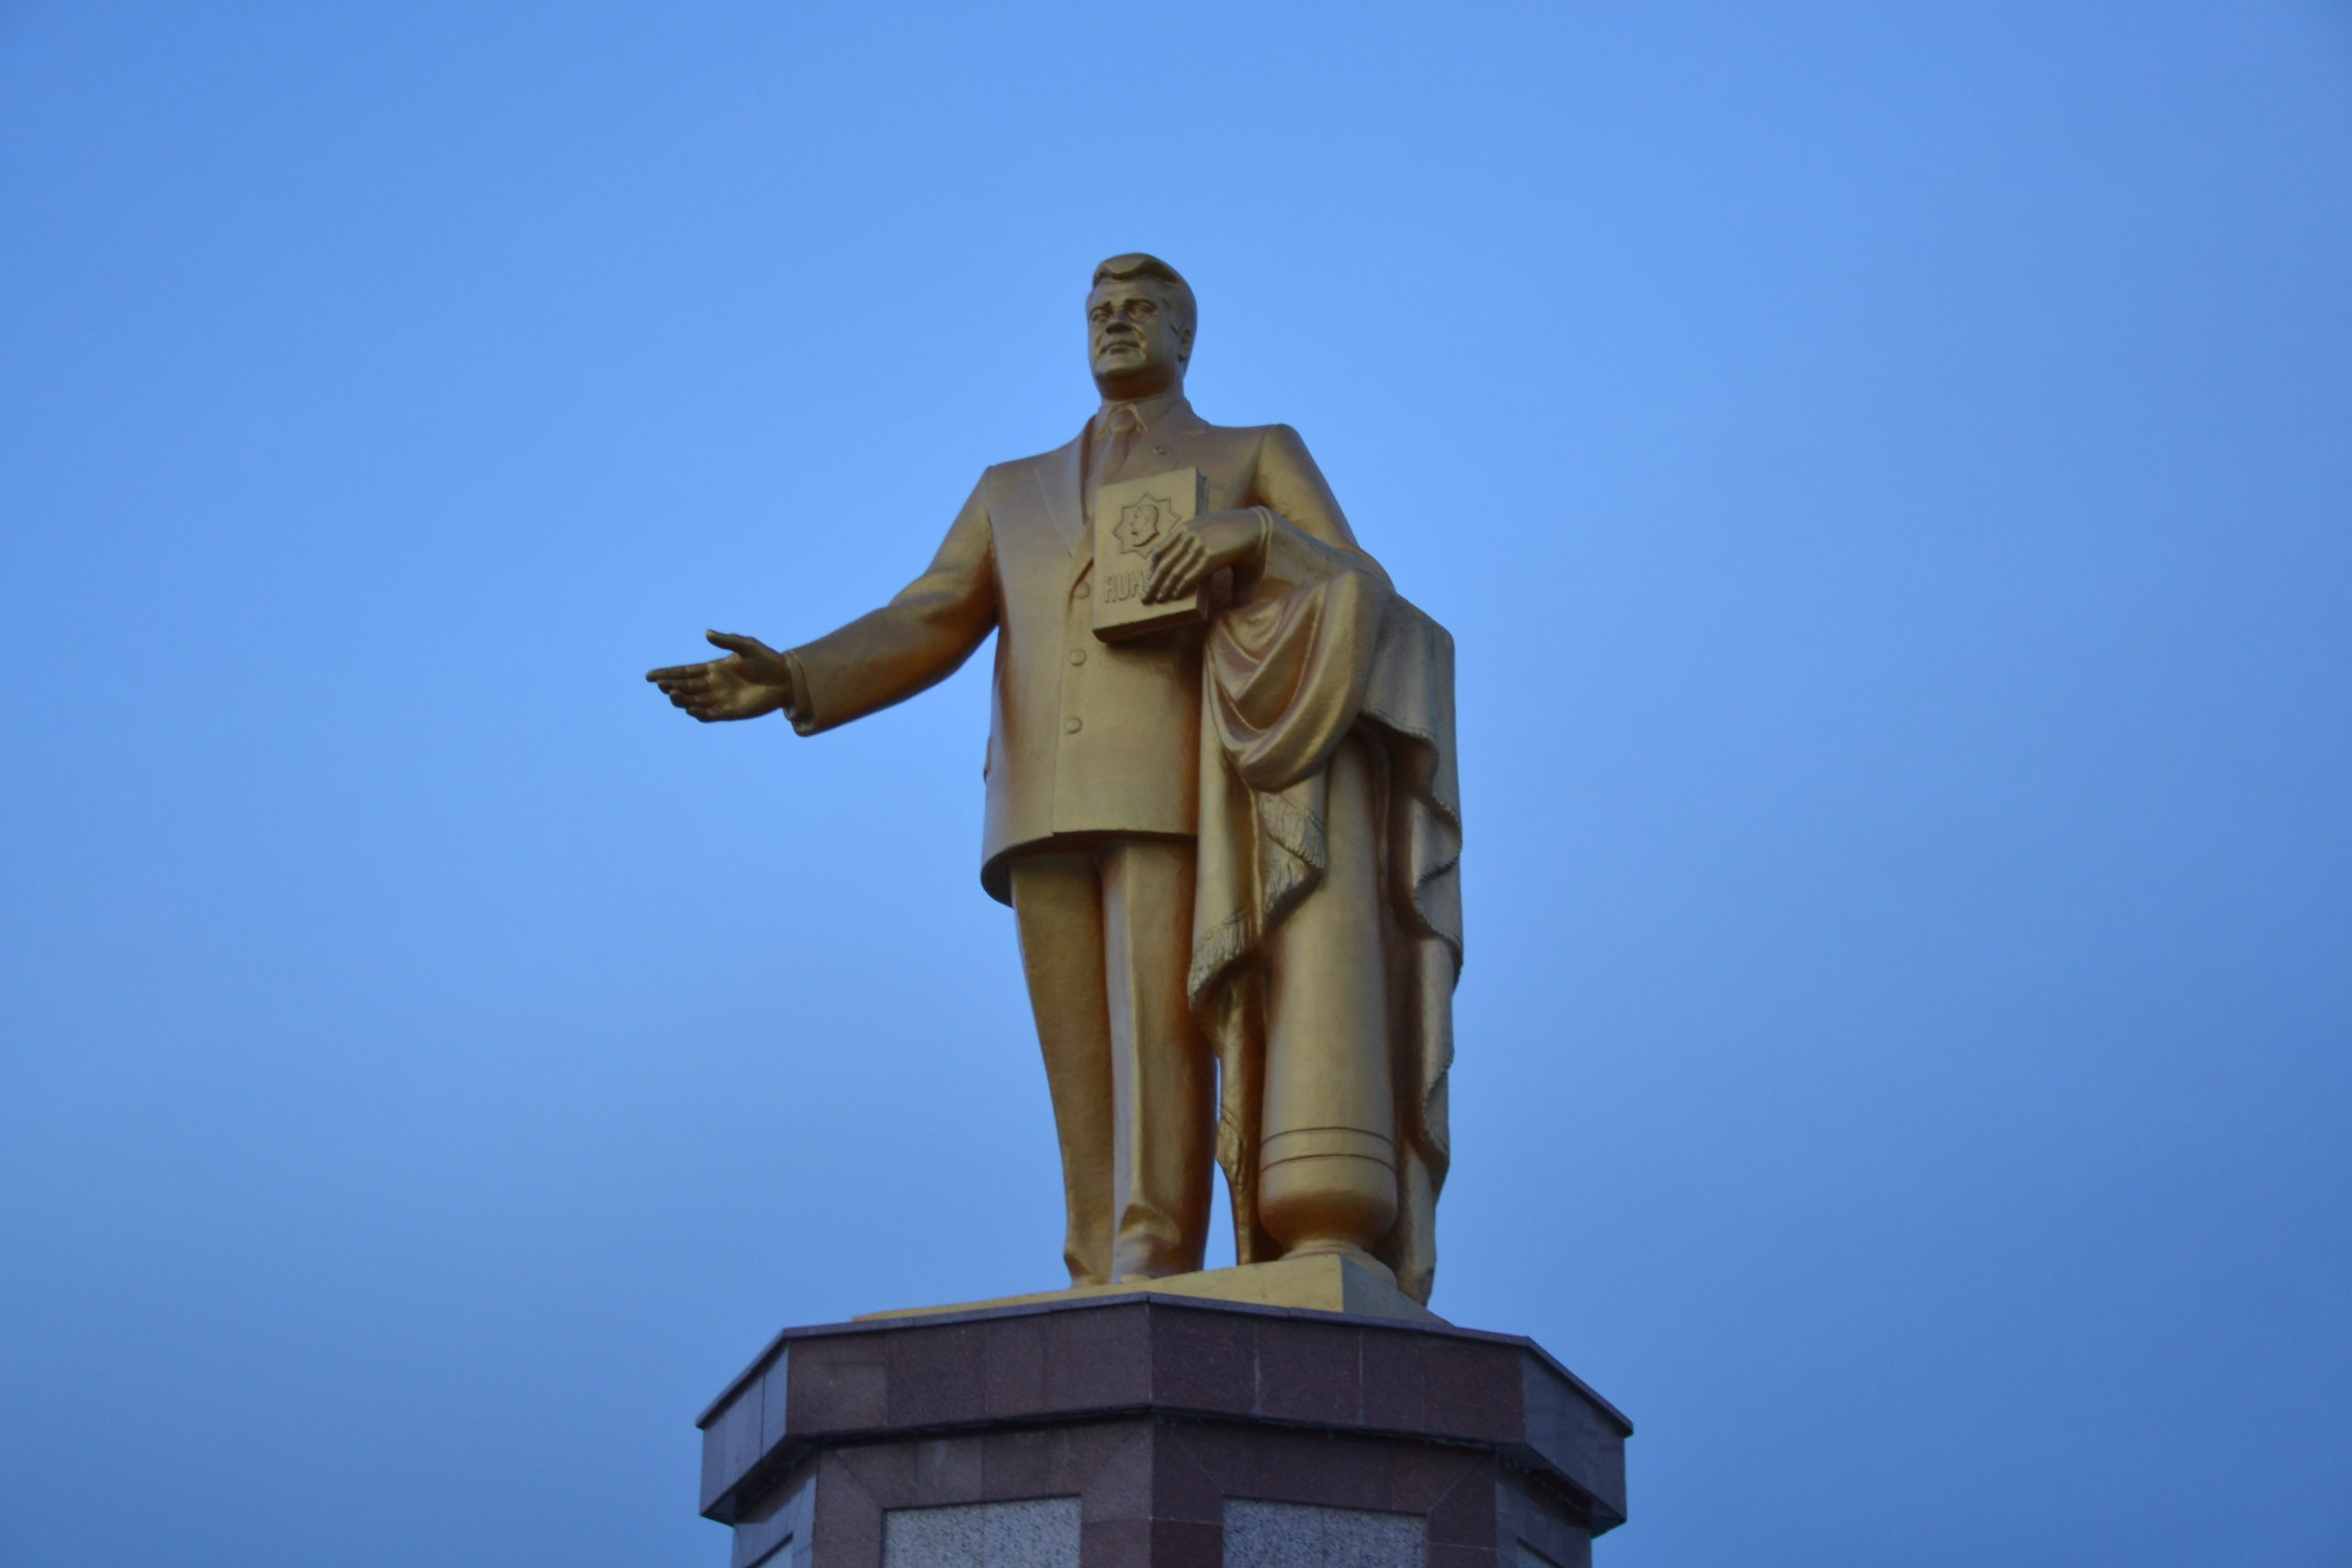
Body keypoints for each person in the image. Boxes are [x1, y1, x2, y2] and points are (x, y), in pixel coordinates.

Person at [650, 255, 1459, 1303]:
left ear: (1184, 337)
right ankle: (1094, 1269)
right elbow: (929, 615)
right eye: (1100, 312)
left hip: (1172, 787)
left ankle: (1151, 1255)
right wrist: (799, 674)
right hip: (1038, 798)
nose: (1116, 324)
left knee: (1158, 1036)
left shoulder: (1253, 451)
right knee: (1078, 1058)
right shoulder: (1012, 487)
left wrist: (1253, 536)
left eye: (1141, 310)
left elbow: (1362, 582)